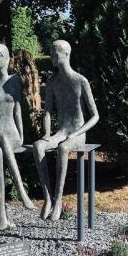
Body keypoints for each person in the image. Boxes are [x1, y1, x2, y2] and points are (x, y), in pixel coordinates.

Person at [32, 40, 99, 220]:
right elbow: (47, 111)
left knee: (63, 148)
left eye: (55, 54)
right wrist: (47, 133)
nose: (52, 57)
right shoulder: (52, 82)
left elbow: (95, 116)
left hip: (77, 132)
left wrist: (77, 133)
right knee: (38, 146)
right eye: (51, 54)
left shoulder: (80, 80)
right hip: (61, 131)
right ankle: (48, 198)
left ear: (66, 54)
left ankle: (58, 200)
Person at [0, 43, 36, 229]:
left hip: (12, 133)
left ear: (6, 59)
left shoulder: (15, 81)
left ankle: (4, 216)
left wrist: (21, 135)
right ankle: (17, 195)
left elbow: (18, 109)